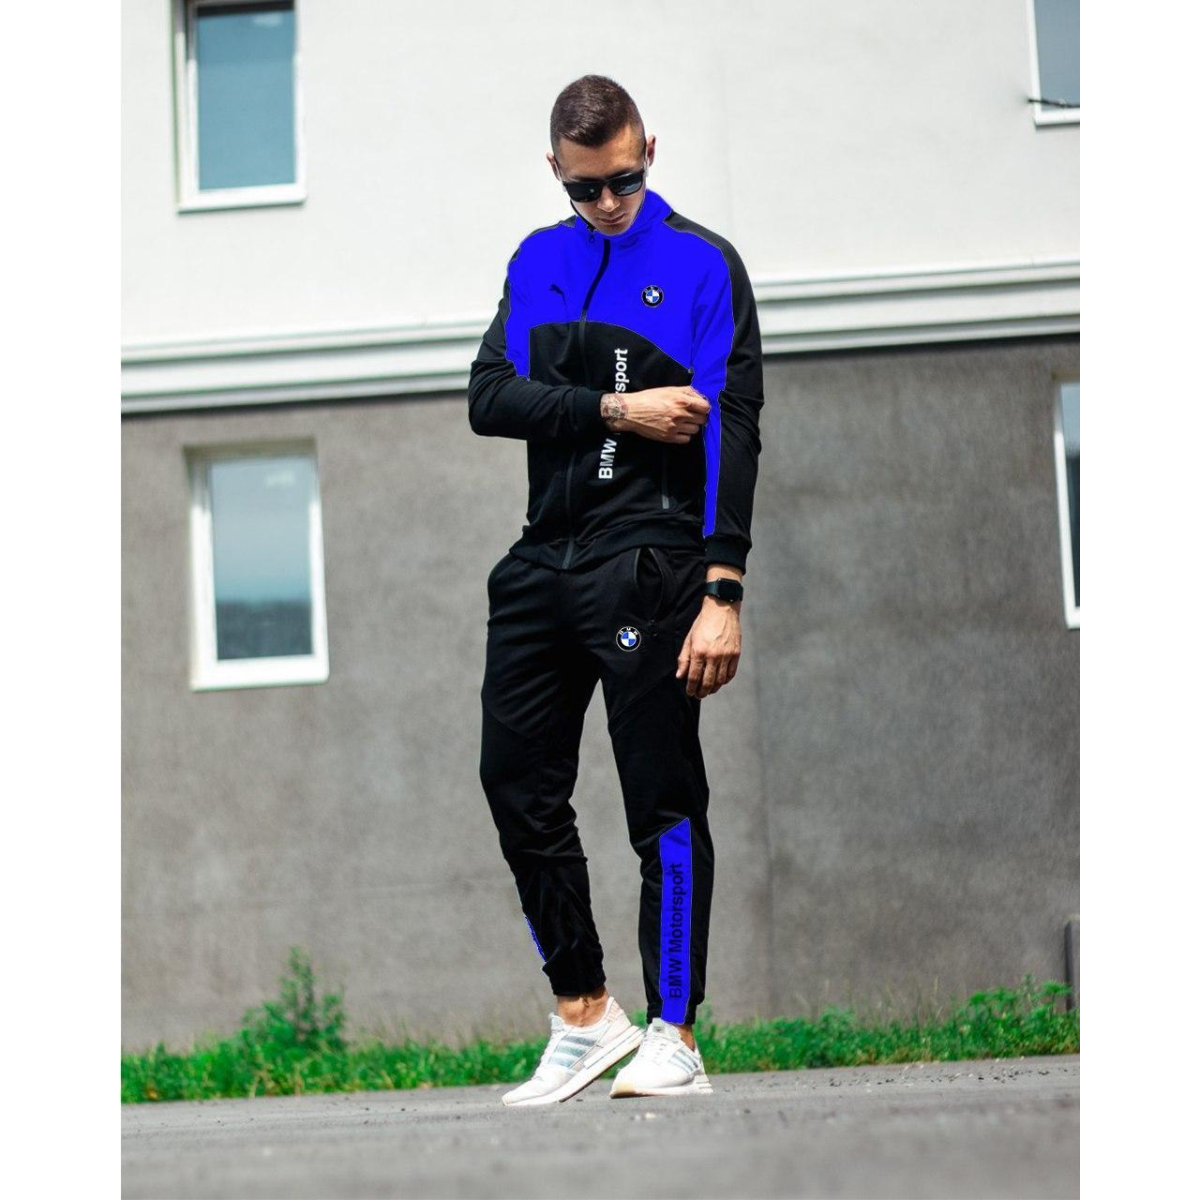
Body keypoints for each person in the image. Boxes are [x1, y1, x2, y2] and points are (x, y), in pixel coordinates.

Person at [468, 74, 764, 1106]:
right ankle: (586, 1014)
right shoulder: (536, 262)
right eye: (585, 187)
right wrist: (614, 409)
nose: (608, 203)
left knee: (661, 801)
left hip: (652, 560)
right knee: (514, 785)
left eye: (625, 180)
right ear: (556, 170)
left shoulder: (702, 264)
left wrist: (723, 588)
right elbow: (488, 397)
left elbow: (734, 431)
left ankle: (674, 1033)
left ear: (650, 153)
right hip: (542, 559)